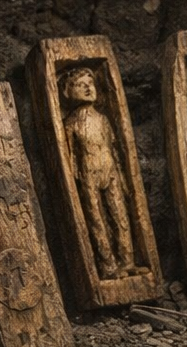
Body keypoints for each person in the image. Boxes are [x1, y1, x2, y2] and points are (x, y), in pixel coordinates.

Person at [61, 67, 144, 279]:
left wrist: (122, 177)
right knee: (96, 220)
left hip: (110, 169)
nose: (89, 88)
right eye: (81, 85)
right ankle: (108, 266)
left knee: (120, 216)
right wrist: (75, 180)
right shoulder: (70, 123)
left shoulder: (104, 119)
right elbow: (69, 156)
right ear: (69, 92)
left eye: (91, 83)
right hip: (88, 172)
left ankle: (127, 261)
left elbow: (114, 148)